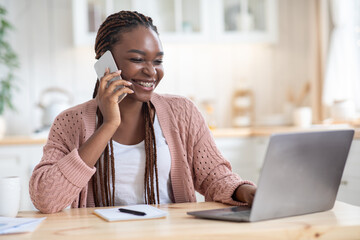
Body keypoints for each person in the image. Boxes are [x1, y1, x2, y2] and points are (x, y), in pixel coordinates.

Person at [29, 10, 256, 213]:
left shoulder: (182, 112)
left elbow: (214, 176)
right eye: (137, 59)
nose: (151, 72)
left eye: (158, 61)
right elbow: (46, 199)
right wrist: (108, 124)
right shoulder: (70, 122)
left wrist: (244, 191)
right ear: (105, 63)